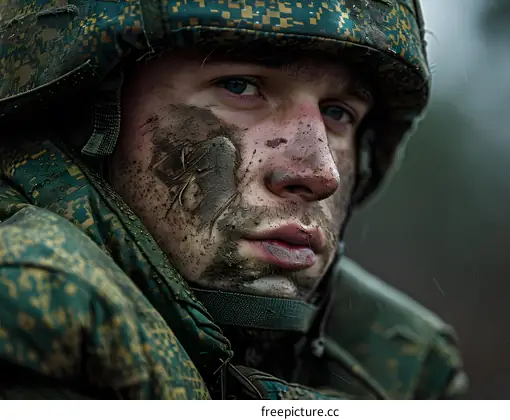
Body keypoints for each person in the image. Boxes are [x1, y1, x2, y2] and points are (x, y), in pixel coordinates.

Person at [0, 0, 468, 399]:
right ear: (86, 118)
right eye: (240, 86)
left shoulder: (399, 364)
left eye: (337, 113)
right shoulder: (32, 306)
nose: (318, 173)